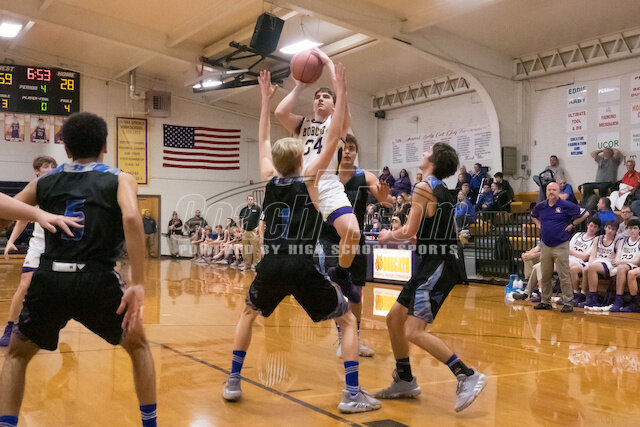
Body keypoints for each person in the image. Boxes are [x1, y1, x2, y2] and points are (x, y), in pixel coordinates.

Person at [222, 68, 380, 413]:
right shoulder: (312, 178)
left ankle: (233, 381)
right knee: (347, 321)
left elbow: (263, 139)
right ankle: (352, 394)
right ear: (300, 158)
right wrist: (341, 89)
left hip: (271, 265)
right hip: (303, 267)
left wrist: (265, 101)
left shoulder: (267, 177)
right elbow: (335, 135)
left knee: (247, 314)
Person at [0, 112, 157, 427]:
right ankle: (150, 423)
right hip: (97, 279)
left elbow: (6, 211)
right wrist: (138, 283)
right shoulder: (121, 178)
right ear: (105, 145)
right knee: (138, 346)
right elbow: (131, 218)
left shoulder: (45, 181)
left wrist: (35, 213)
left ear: (66, 149)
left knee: (16, 355)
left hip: (50, 279)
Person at [375, 142, 487, 412]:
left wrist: (388, 235)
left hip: (438, 264)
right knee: (394, 319)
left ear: (434, 160)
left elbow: (407, 231)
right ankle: (404, 380)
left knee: (413, 331)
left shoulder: (423, 187)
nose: (423, 152)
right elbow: (429, 231)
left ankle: (467, 374)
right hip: (435, 261)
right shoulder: (440, 189)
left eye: (428, 151)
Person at [275, 48, 362, 295]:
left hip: (329, 184)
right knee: (295, 249)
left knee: (352, 232)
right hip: (303, 186)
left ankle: (341, 273)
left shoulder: (339, 124)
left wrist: (327, 61)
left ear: (334, 105)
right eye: (317, 97)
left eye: (326, 96)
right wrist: (300, 85)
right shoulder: (302, 124)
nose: (320, 99)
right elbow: (280, 112)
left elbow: (341, 92)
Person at [316, 133, 393, 358]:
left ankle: (355, 339)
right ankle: (343, 337)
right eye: (344, 148)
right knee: (337, 288)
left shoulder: (365, 176)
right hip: (330, 240)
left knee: (356, 292)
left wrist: (386, 198)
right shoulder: (326, 177)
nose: (348, 151)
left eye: (352, 148)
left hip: (355, 241)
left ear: (356, 152)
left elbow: (387, 202)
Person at [0, 156, 58, 347]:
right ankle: (10, 327)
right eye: (46, 166)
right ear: (36, 171)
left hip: (58, 247)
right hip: (38, 245)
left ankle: (56, 323)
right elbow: (22, 218)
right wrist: (11, 241)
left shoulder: (62, 189)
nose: (50, 169)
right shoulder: (33, 191)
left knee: (60, 290)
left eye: (53, 166)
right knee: (24, 285)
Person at [531, 182, 588, 312]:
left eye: (554, 189)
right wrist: (539, 225)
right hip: (545, 244)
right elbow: (533, 216)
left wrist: (573, 224)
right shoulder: (541, 206)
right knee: (545, 275)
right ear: (546, 192)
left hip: (561, 244)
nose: (551, 192)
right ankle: (545, 301)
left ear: (559, 192)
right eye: (549, 189)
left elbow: (585, 213)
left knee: (564, 275)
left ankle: (568, 303)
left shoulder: (566, 205)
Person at [579, 220, 619, 309]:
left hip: (609, 263)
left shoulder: (617, 241)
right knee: (586, 268)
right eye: (609, 228)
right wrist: (590, 264)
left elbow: (618, 256)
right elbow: (593, 255)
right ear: (605, 228)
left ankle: (593, 298)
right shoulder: (598, 239)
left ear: (616, 231)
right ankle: (583, 295)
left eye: (613, 229)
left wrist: (616, 261)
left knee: (592, 268)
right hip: (597, 261)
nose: (610, 231)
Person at [609, 219, 640, 312]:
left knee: (624, 269)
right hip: (624, 265)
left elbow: (636, 262)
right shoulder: (622, 241)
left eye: (635, 228)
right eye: (630, 228)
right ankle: (618, 299)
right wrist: (619, 262)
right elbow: (617, 257)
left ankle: (627, 302)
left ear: (639, 230)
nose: (632, 230)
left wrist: (620, 262)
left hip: (634, 265)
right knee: (621, 268)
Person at [568, 217, 600, 305]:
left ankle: (576, 293)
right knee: (564, 264)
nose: (592, 228)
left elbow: (585, 257)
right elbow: (567, 249)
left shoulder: (595, 240)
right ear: (587, 225)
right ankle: (568, 293)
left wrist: (572, 252)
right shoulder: (578, 235)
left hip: (581, 262)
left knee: (572, 268)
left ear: (598, 229)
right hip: (569, 258)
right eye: (591, 226)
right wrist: (573, 252)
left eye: (595, 227)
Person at [239, 194, 262, 271]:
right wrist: (240, 228)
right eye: (249, 199)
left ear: (253, 200)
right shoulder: (244, 209)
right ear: (247, 200)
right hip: (245, 231)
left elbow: (261, 219)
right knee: (247, 249)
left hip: (254, 231)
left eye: (251, 199)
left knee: (256, 249)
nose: (250, 201)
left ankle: (256, 265)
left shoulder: (257, 208)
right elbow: (240, 219)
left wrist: (258, 228)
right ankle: (247, 265)